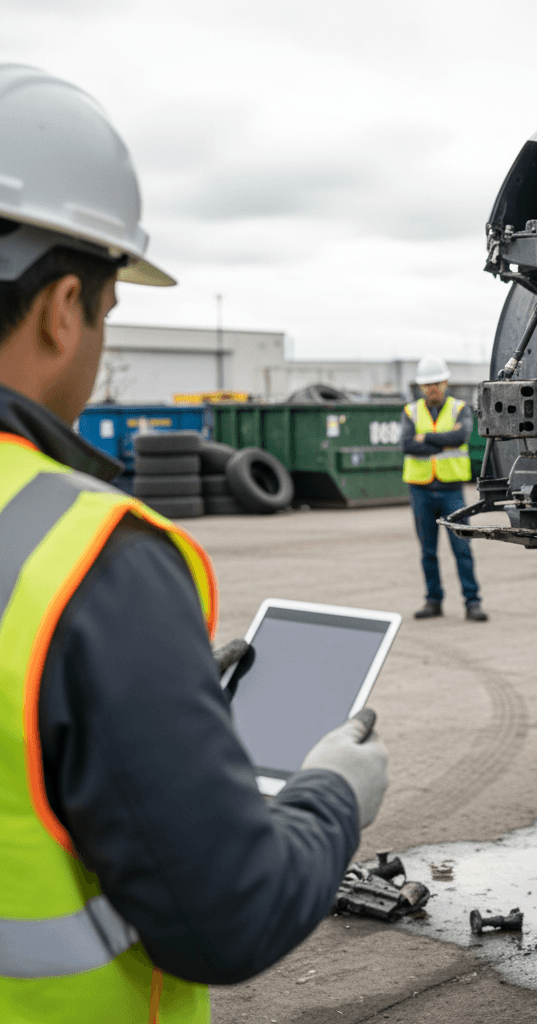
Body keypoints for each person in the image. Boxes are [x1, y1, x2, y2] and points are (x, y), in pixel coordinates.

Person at [0, 66, 388, 1024]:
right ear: (62, 308)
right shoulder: (89, 559)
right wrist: (333, 794)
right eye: (106, 311)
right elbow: (226, 919)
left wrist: (135, 712)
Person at [401, 355, 487, 621]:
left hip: (452, 490)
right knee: (427, 550)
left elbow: (460, 437)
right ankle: (433, 600)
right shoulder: (410, 411)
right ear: (421, 386)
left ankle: (472, 602)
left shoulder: (460, 408)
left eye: (436, 383)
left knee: (462, 548)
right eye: (427, 384)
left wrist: (424, 437)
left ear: (446, 382)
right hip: (421, 489)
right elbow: (407, 445)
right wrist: (442, 441)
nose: (432, 388)